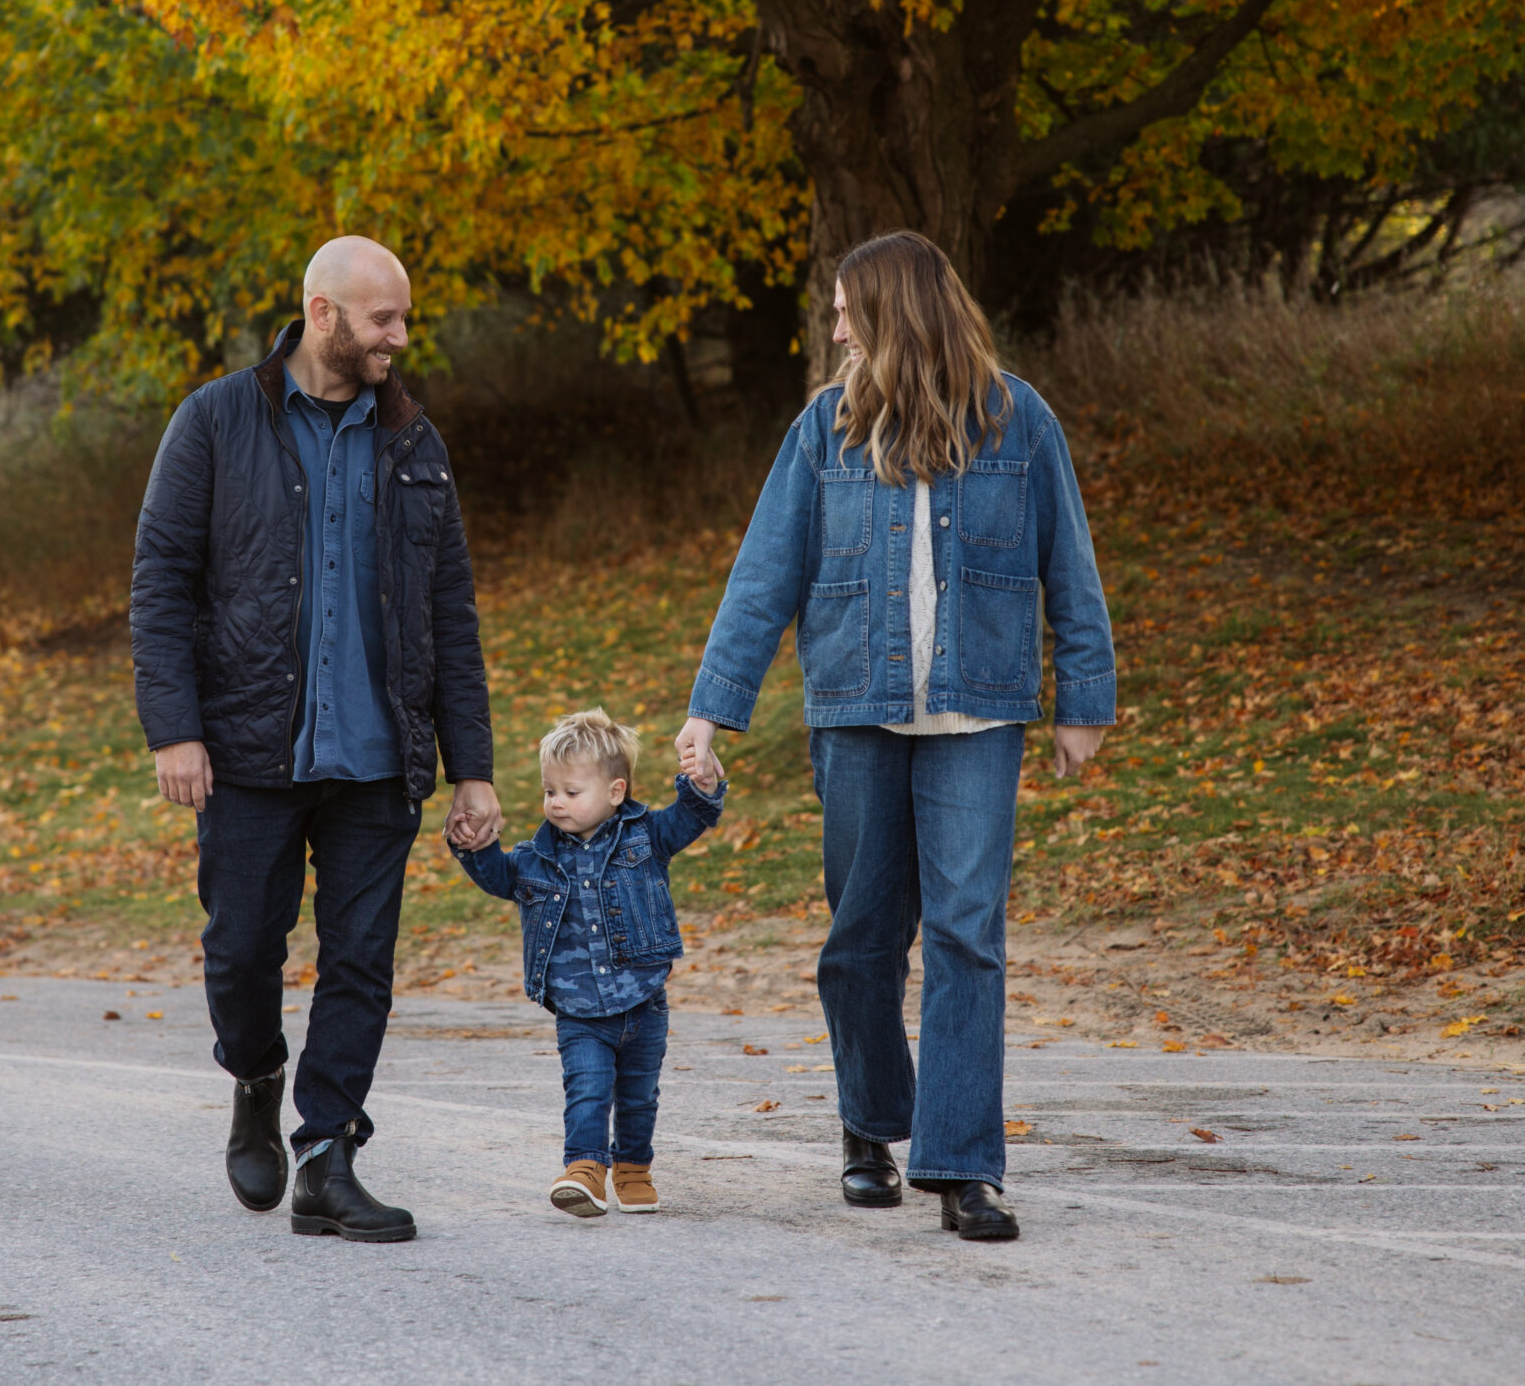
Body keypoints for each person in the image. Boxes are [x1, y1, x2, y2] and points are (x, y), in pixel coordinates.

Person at [675, 231, 1115, 1242]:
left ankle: (963, 1165)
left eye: (846, 309)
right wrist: (714, 706)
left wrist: (1082, 697)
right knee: (861, 937)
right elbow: (763, 574)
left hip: (980, 712)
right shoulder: (823, 429)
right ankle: (871, 1126)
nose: (834, 327)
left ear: (896, 313)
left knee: (969, 934)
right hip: (855, 712)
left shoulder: (1017, 420)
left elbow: (1070, 563)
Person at [131, 235, 501, 1244]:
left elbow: (449, 612)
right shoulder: (214, 422)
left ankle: (327, 1153)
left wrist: (472, 767)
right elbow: (160, 579)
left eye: (405, 320)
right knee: (242, 949)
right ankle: (254, 1072)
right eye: (383, 319)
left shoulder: (414, 442)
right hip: (250, 750)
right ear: (324, 313)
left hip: (381, 757)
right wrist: (176, 729)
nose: (399, 337)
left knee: (360, 960)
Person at [451, 709, 723, 1218]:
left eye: (571, 792)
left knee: (640, 1098)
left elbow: (694, 817)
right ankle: (583, 1170)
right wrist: (475, 847)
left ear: (615, 792)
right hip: (577, 1007)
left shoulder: (647, 838)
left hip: (643, 1001)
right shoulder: (534, 857)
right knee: (588, 1090)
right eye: (549, 791)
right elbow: (499, 878)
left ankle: (634, 1167)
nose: (556, 803)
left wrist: (701, 784)